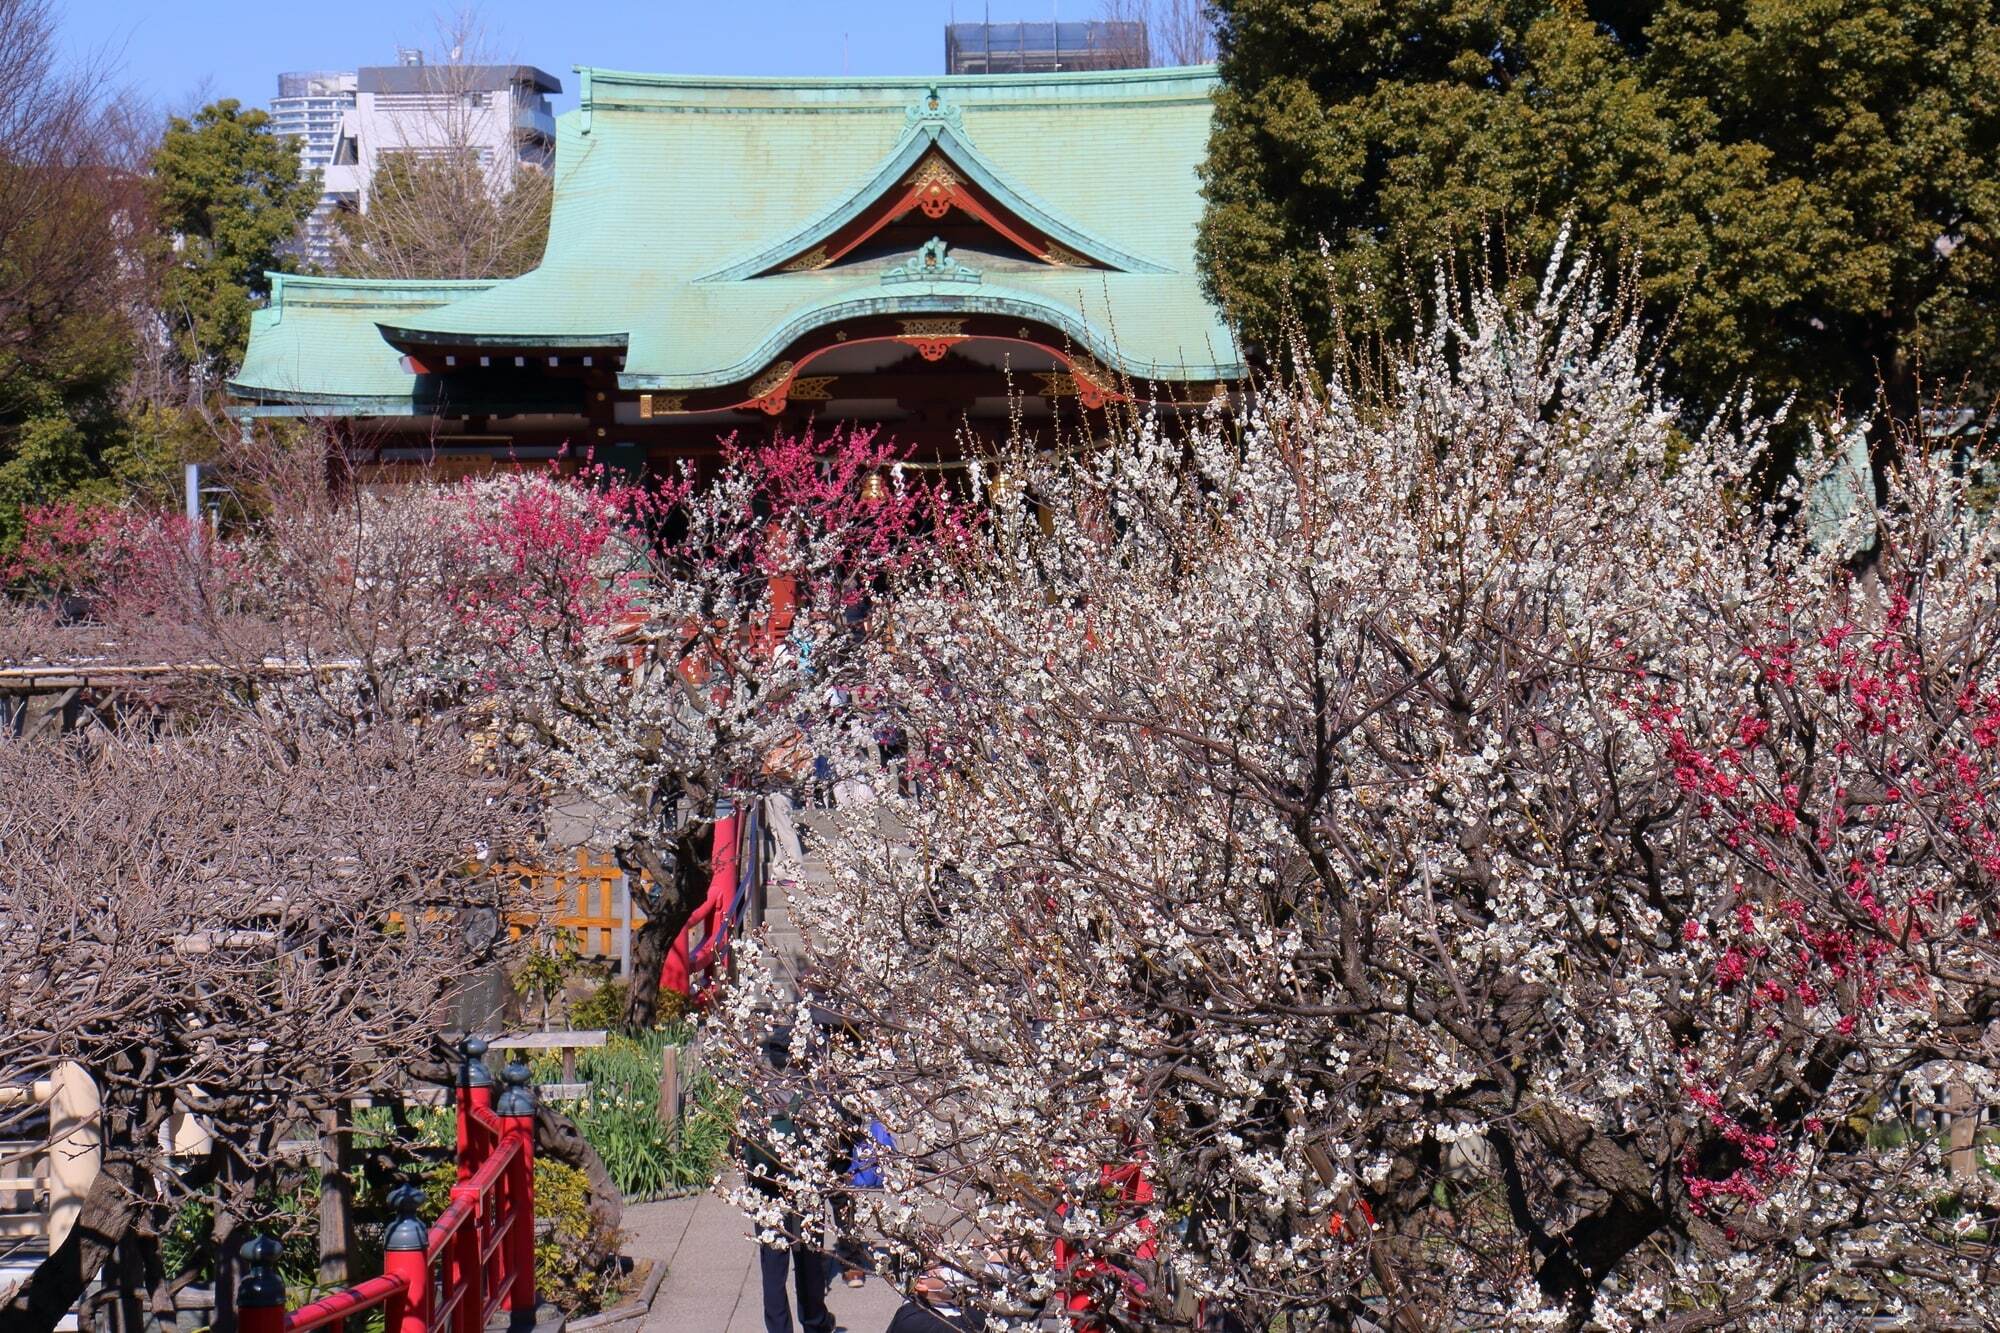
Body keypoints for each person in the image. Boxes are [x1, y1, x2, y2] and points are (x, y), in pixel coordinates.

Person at [739, 1024, 836, 1333]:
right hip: (804, 1185)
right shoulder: (810, 1090)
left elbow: (741, 1142)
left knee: (772, 1265)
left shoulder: (755, 1093)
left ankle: (779, 1329)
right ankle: (815, 1322)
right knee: (808, 1258)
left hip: (765, 1187)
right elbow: (829, 1141)